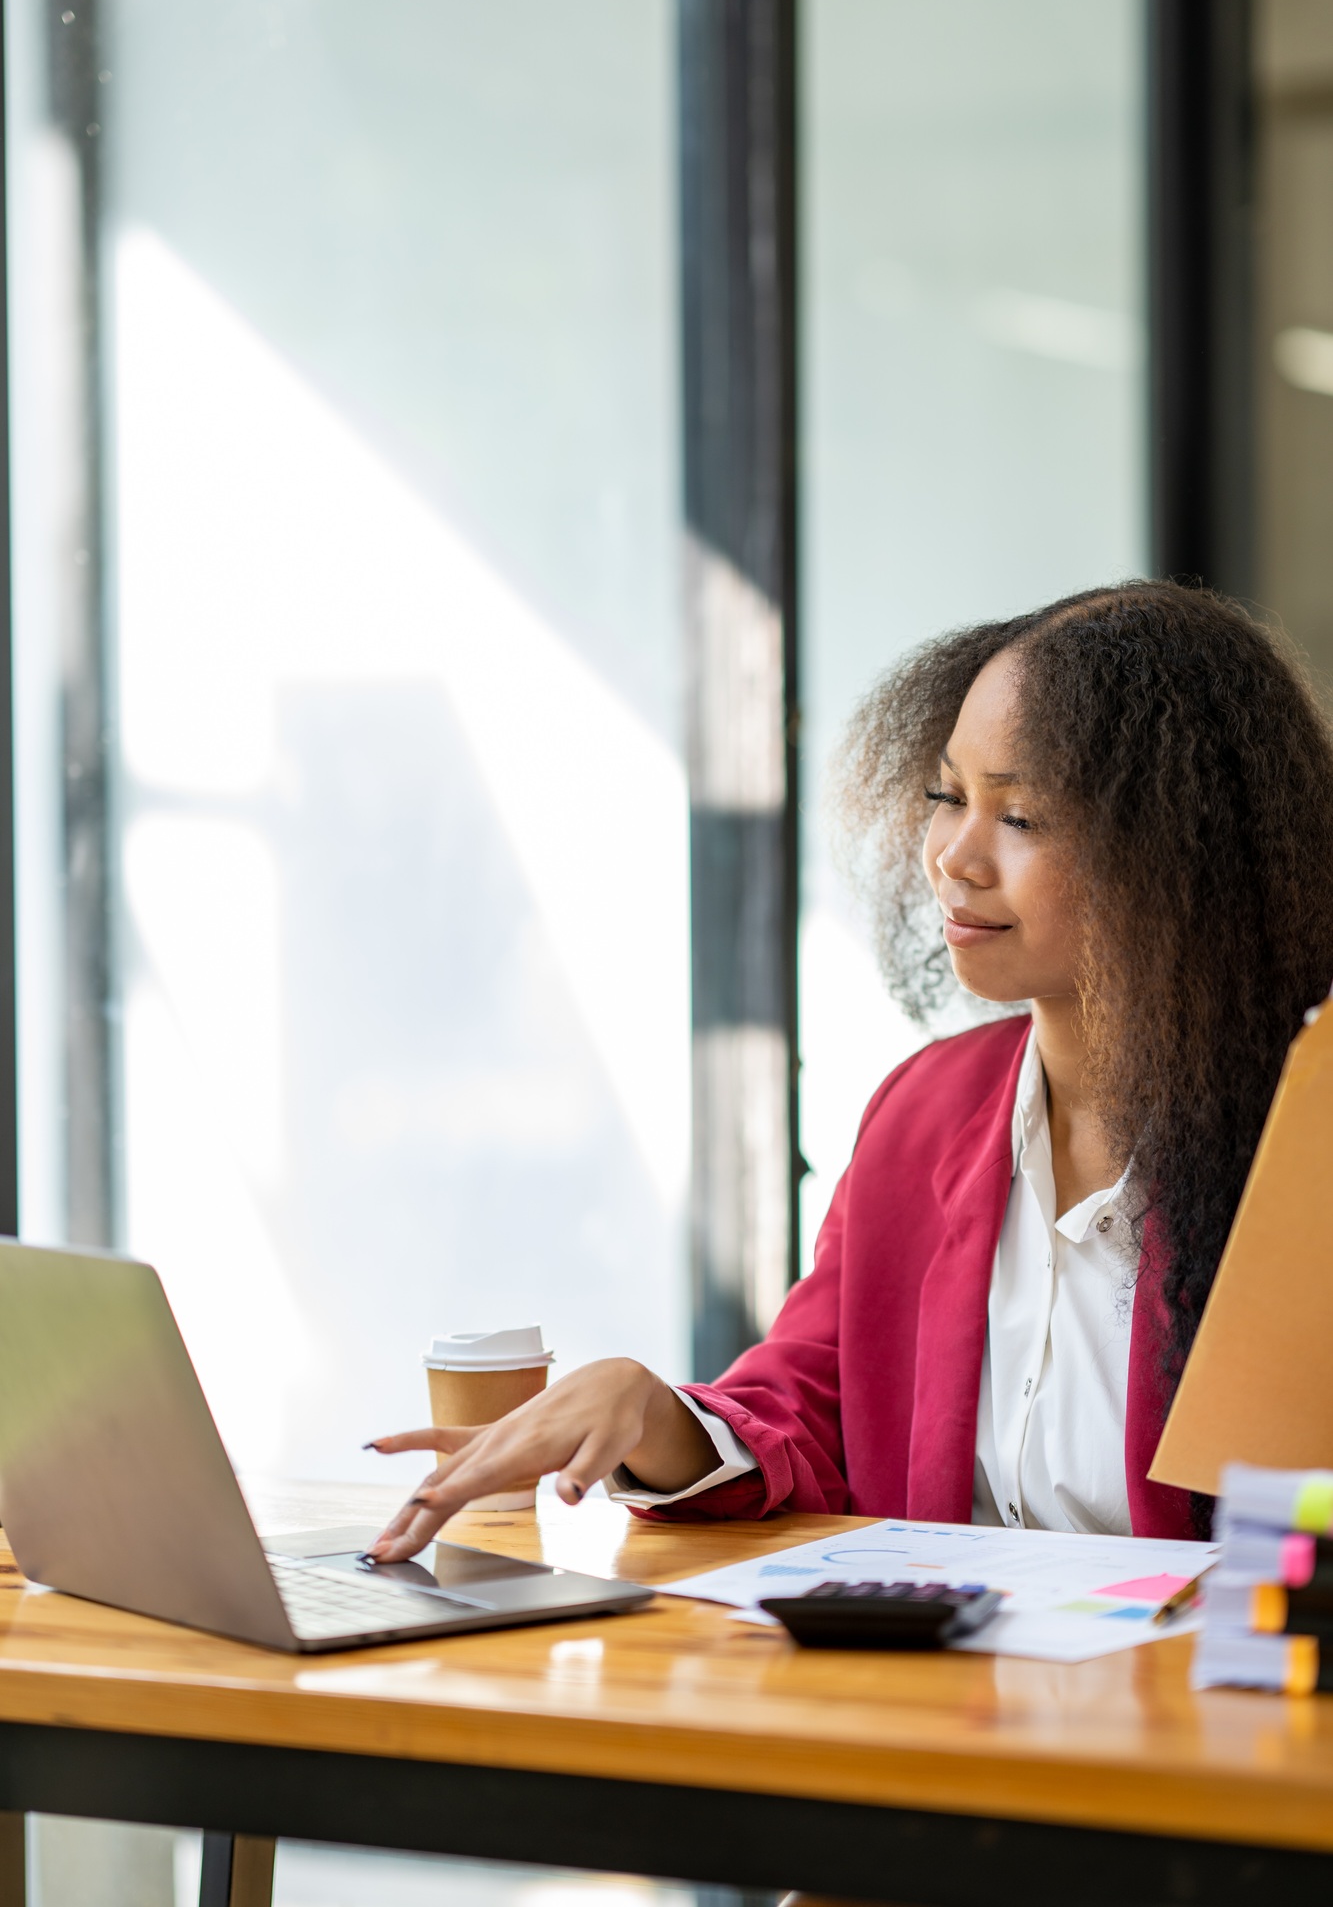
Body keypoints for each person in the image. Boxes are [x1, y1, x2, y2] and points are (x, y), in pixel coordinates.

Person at [364, 582, 1333, 1561]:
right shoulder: (927, 1110)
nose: (954, 856)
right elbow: (817, 1398)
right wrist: (647, 1411)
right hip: (938, 1700)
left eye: (1022, 815)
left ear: (1179, 848)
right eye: (948, 795)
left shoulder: (1307, 1138)